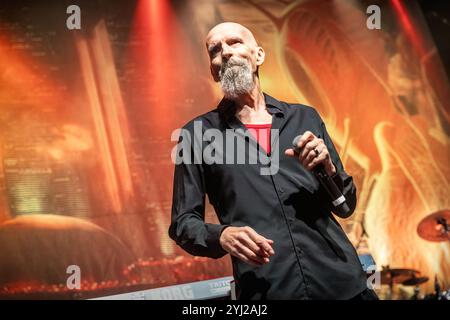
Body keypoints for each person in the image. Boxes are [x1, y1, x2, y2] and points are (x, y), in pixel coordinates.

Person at [169, 22, 377, 300]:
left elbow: (345, 206)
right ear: (213, 70)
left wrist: (328, 171)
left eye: (234, 42)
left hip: (343, 285)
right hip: (269, 289)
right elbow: (182, 223)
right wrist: (221, 235)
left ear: (259, 56)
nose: (226, 52)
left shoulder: (305, 118)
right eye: (215, 50)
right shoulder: (196, 135)